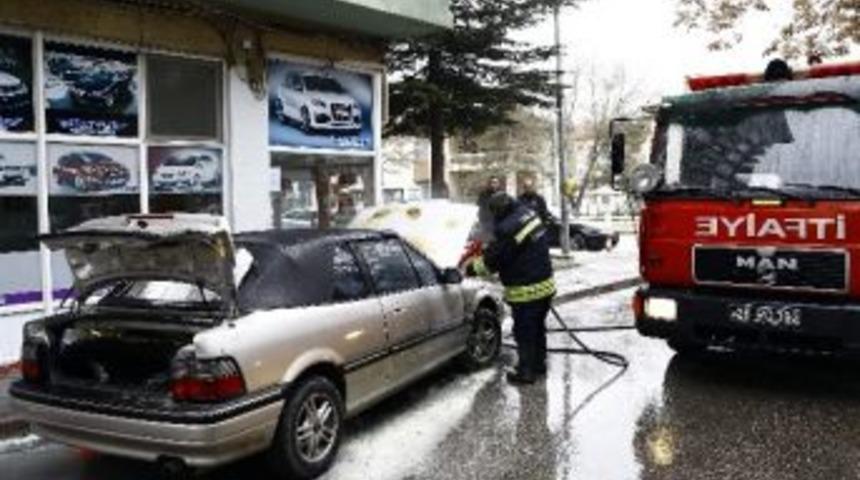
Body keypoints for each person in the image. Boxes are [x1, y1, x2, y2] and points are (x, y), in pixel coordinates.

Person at [464, 192, 555, 384]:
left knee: (524, 332)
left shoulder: (508, 228)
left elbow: (495, 260)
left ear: (499, 211)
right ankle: (539, 364)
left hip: (526, 290)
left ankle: (526, 372)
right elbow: (516, 248)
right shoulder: (527, 213)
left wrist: (471, 267)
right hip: (545, 285)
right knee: (538, 328)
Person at [475, 176, 503, 243]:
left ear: (498, 184)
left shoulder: (502, 194)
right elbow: (479, 205)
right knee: (485, 242)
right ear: (489, 184)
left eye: (495, 182)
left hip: (497, 222)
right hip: (485, 222)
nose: (494, 184)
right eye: (492, 182)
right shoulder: (483, 194)